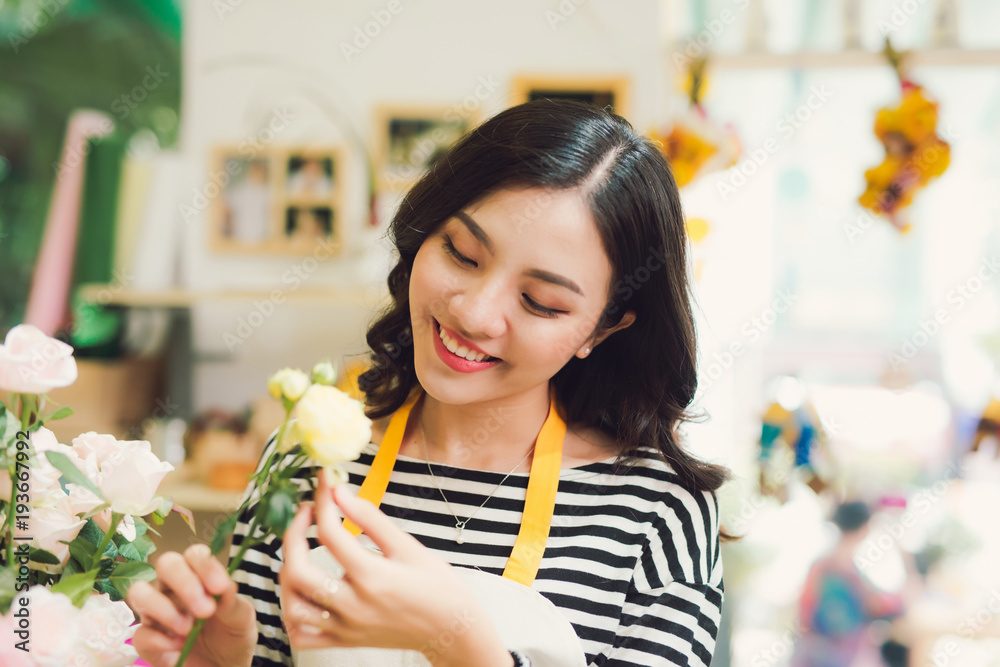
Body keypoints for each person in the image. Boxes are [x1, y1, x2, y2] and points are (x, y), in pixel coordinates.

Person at [127, 99, 729, 666]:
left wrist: (461, 642)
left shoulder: (656, 512)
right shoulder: (306, 460)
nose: (474, 313)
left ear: (603, 327)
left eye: (540, 301)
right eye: (463, 253)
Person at [791, 502, 906, 667]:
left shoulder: (821, 566)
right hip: (842, 657)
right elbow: (883, 605)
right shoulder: (849, 573)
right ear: (864, 528)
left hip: (817, 655)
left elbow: (803, 614)